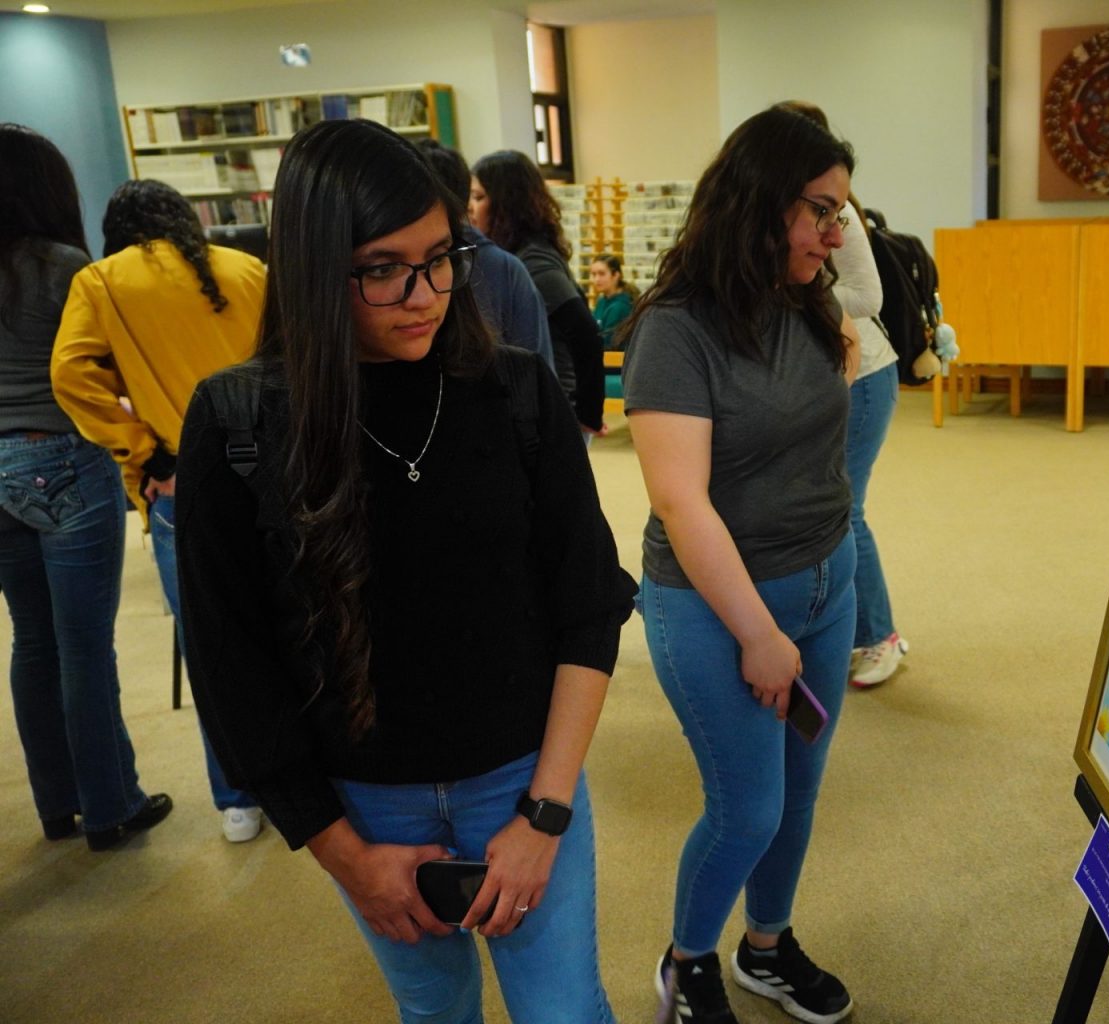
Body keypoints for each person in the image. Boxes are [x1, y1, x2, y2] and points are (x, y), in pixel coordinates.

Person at [174, 119, 636, 1023]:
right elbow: (232, 666)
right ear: (314, 270)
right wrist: (344, 855)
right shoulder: (238, 422)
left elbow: (589, 603)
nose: (425, 295)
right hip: (364, 804)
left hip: (523, 774)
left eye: (441, 259)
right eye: (383, 269)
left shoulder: (515, 392)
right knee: (435, 1013)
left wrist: (546, 813)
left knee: (566, 1010)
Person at [620, 105, 859, 1024]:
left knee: (799, 793)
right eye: (821, 211)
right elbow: (681, 503)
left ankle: (767, 947)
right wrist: (759, 634)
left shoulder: (808, 297)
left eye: (841, 212)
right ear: (761, 203)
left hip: (827, 581)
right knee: (748, 808)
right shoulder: (675, 329)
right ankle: (688, 961)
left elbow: (821, 428)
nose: (835, 233)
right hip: (716, 607)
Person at [51, 178, 268, 843]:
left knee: (211, 647)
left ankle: (239, 800)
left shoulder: (103, 282)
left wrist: (144, 453)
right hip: (275, 473)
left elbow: (70, 374)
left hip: (183, 484)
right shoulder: (249, 270)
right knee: (298, 624)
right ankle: (313, 772)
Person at [0, 123, 172, 851]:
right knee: (84, 647)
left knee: (31, 640)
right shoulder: (65, 266)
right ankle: (110, 806)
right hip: (65, 458)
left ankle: (56, 803)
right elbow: (101, 369)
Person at [778, 101, 909, 688]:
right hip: (824, 371)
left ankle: (880, 636)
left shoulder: (841, 215)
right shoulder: (777, 212)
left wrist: (797, 298)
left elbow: (868, 296)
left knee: (846, 511)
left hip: (865, 372)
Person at [469, 150, 605, 438]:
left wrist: (588, 414)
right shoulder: (520, 254)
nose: (471, 208)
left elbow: (585, 331)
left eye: (479, 197)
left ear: (506, 203)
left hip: (557, 409)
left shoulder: (533, 261)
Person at [415, 139, 555, 372]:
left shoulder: (517, 265)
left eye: (479, 198)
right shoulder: (508, 264)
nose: (421, 299)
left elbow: (540, 365)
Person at [589, 254, 636, 349]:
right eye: (594, 274)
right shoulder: (602, 301)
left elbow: (608, 344)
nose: (597, 279)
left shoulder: (620, 306)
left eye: (602, 274)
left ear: (616, 275)